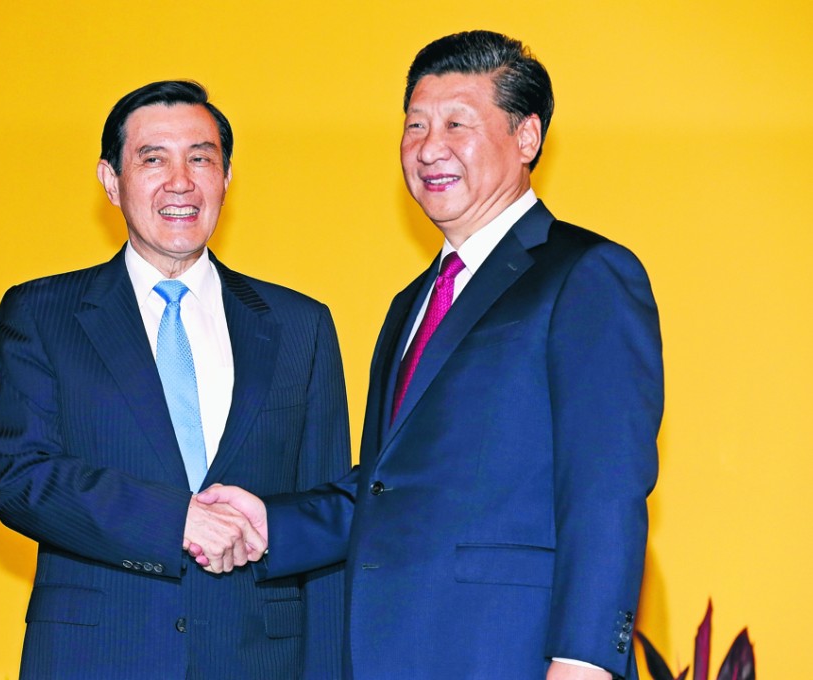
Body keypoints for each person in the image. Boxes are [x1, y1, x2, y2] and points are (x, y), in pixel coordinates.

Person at [195, 30, 663, 679]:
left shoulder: (584, 275)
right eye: (415, 125)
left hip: (509, 657)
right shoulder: (414, 301)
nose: (428, 147)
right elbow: (390, 488)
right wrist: (272, 523)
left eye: (456, 123)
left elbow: (605, 487)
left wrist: (585, 660)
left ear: (526, 138)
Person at [0, 80, 349, 679]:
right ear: (110, 179)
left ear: (226, 177)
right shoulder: (42, 314)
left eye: (201, 158)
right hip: (96, 658)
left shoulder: (298, 324)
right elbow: (22, 476)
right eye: (153, 159)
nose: (181, 181)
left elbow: (328, 512)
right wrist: (176, 519)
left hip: (259, 660)